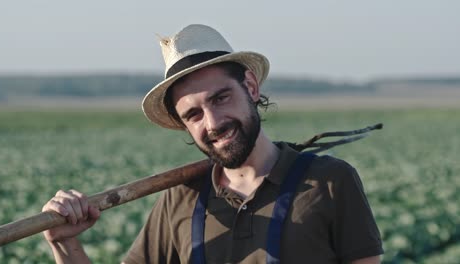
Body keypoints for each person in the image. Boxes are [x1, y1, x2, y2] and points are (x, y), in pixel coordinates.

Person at [42, 24, 384, 264]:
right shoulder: (181, 197)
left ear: (251, 87)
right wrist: (65, 243)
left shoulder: (330, 182)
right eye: (193, 115)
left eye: (221, 98)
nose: (213, 123)